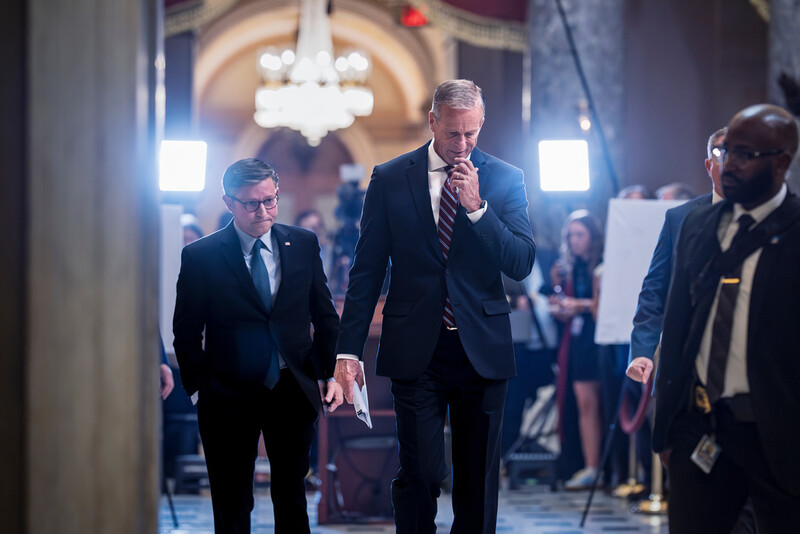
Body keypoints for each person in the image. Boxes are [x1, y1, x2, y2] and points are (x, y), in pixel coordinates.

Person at [333, 79, 534, 533]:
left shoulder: (505, 179)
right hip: (415, 348)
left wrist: (478, 208)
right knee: (420, 473)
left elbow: (520, 262)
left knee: (477, 481)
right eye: (452, 134)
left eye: (471, 134)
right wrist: (347, 353)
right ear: (432, 122)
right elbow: (366, 272)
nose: (462, 145)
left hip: (482, 349)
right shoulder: (389, 178)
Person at [172, 158, 343, 533]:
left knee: (291, 496)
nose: (262, 211)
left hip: (291, 388)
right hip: (226, 393)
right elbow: (186, 331)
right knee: (232, 500)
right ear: (228, 202)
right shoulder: (201, 255)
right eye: (251, 203)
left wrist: (328, 373)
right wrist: (200, 389)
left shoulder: (302, 243)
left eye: (270, 200)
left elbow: (325, 316)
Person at [652, 104, 800, 533]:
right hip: (703, 426)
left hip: (779, 431)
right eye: (725, 152)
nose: (728, 164)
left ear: (781, 163)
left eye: (744, 154)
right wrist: (666, 430)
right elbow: (678, 326)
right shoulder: (698, 224)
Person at [627, 126, 726, 384]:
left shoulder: (767, 217)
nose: (730, 162)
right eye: (722, 153)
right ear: (709, 165)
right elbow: (655, 289)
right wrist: (642, 352)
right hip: (685, 357)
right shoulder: (680, 218)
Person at [547, 210, 604, 490]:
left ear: (593, 236)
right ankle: (590, 465)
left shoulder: (603, 265)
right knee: (584, 403)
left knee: (600, 403)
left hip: (602, 340)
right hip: (578, 342)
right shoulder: (570, 268)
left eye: (580, 234)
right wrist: (561, 307)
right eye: (570, 235)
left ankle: (604, 466)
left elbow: (601, 305)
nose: (574, 241)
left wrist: (577, 305)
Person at [295, 209, 333, 274]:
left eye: (316, 227)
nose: (314, 232)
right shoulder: (292, 256)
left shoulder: (332, 251)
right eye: (307, 228)